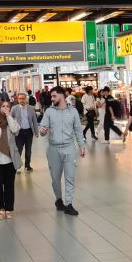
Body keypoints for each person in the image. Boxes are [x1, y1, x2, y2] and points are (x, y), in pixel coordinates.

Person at [39, 87, 86, 216]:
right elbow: (42, 129)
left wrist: (82, 145)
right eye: (51, 97)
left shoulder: (73, 111)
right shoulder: (49, 111)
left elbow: (78, 130)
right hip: (53, 149)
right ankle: (58, 199)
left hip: (69, 148)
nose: (52, 99)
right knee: (55, 179)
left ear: (61, 95)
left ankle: (69, 204)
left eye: (54, 96)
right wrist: (42, 131)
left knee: (70, 177)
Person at [11, 92, 40, 173]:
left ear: (26, 99)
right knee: (18, 150)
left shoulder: (31, 108)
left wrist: (36, 132)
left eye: (23, 98)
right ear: (18, 99)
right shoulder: (14, 108)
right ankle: (17, 166)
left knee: (28, 150)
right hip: (19, 133)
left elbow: (34, 120)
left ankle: (27, 166)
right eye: (20, 99)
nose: (22, 100)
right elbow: (10, 119)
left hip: (29, 132)